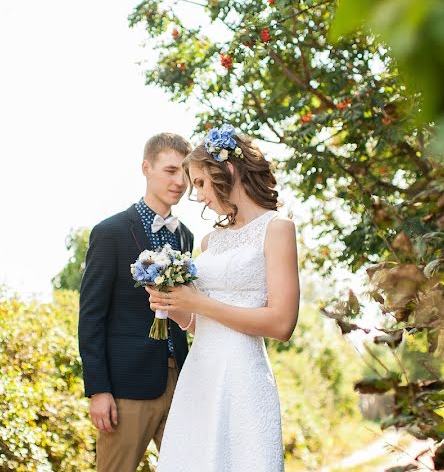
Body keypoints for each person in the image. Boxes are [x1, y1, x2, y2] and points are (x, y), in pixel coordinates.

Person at [146, 123, 300, 471]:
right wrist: (173, 307)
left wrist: (198, 303)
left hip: (242, 375)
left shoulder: (277, 229)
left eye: (200, 183)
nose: (197, 195)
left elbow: (281, 323)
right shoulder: (209, 243)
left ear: (228, 169)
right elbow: (201, 324)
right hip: (200, 374)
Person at [78, 132, 196, 472]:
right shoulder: (110, 232)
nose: (180, 182)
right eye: (171, 171)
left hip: (180, 382)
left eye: (185, 174)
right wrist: (98, 390)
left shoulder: (184, 235)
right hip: (126, 388)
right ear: (146, 168)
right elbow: (91, 317)